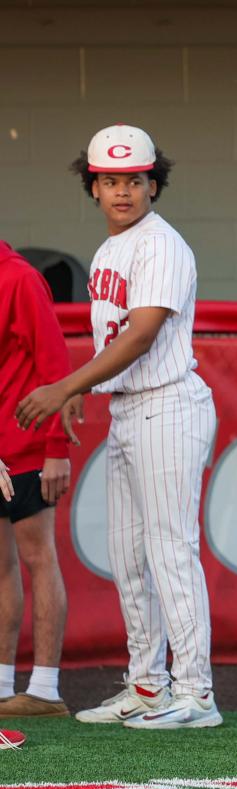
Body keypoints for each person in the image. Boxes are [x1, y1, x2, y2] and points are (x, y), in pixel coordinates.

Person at [16, 124, 221, 730]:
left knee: (170, 551)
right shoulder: (111, 250)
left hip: (168, 404)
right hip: (131, 408)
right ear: (93, 188)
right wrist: (89, 387)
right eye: (110, 180)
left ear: (154, 184)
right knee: (128, 556)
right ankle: (148, 684)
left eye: (135, 179)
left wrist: (67, 386)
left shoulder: (161, 244)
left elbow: (142, 334)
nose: (123, 191)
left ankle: (196, 692)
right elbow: (117, 339)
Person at [0, 241, 73, 720]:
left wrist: (56, 449)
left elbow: (56, 366)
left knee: (37, 557)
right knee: (0, 567)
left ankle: (45, 690)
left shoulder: (19, 278)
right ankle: (3, 686)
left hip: (26, 444)